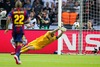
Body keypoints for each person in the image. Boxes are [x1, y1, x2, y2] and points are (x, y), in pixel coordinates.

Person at [4, 0, 29, 65]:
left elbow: (8, 19)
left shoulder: (12, 12)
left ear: (15, 5)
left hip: (14, 29)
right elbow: (28, 20)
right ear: (21, 5)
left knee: (16, 44)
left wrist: (6, 28)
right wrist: (23, 22)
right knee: (20, 43)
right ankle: (17, 55)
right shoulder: (24, 12)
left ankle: (18, 59)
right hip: (20, 29)